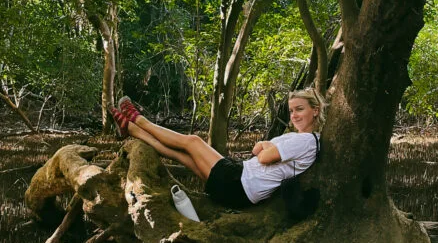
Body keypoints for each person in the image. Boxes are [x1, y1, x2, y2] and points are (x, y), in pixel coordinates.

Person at [109, 88, 325, 209]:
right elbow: (256, 149)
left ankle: (139, 119)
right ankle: (130, 128)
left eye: (300, 109)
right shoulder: (298, 138)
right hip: (239, 187)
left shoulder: (305, 141)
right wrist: (266, 147)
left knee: (192, 141)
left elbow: (262, 157)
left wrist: (267, 146)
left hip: (239, 183)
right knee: (180, 154)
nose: (294, 115)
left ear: (315, 111)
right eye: (291, 110)